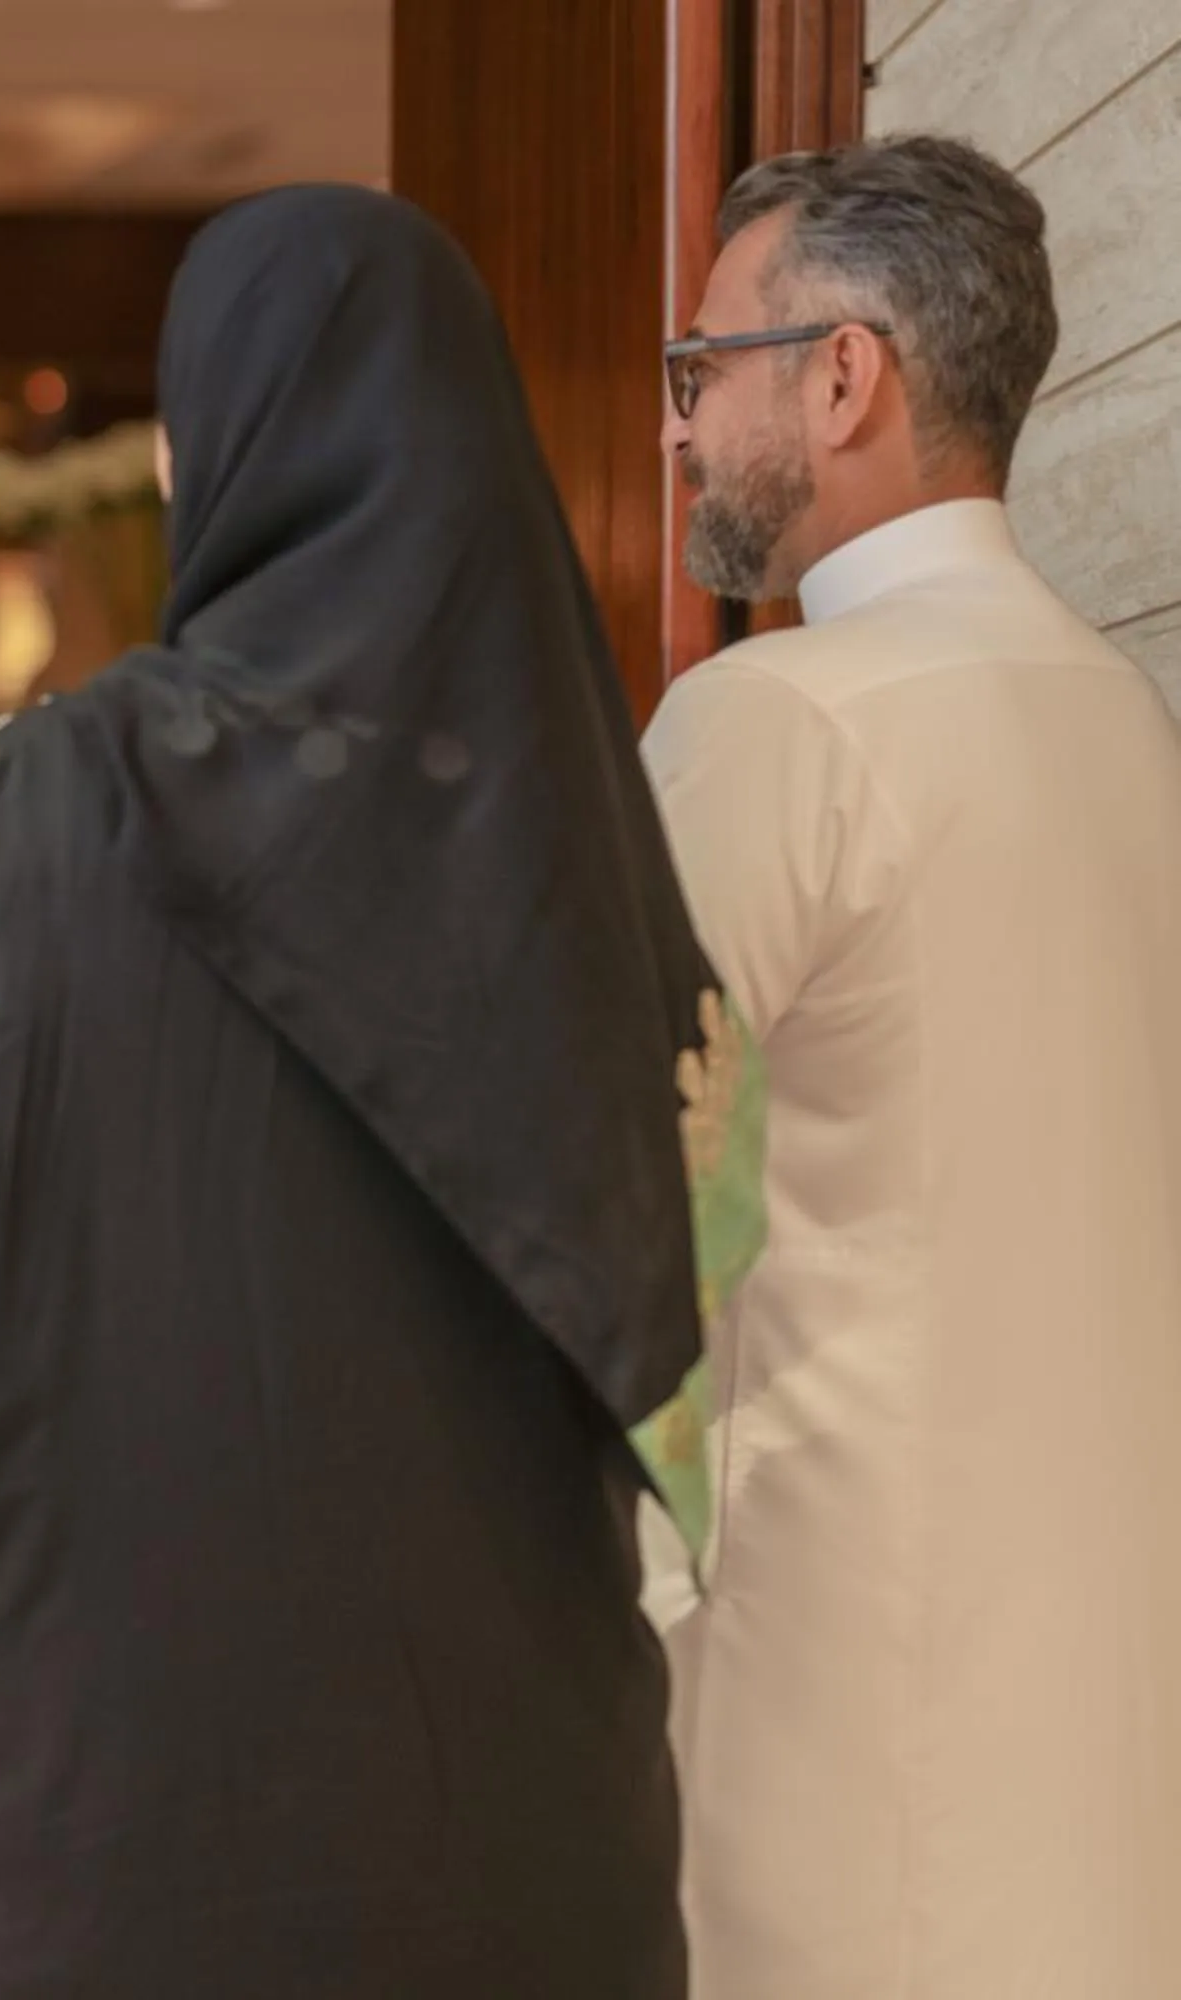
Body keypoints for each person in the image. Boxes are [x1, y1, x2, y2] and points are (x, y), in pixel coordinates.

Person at [0, 186, 721, 1998]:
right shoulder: (590, 839)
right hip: (516, 1813)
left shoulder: (61, 795)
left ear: (209, 443)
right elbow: (705, 1255)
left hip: (110, 1792)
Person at [644, 134, 1181, 1998]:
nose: (683, 427)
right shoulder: (1122, 715)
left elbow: (625, 1198)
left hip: (839, 1684)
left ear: (845, 373)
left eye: (701, 368)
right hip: (1108, 1696)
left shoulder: (774, 718)